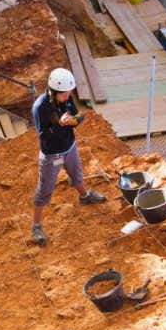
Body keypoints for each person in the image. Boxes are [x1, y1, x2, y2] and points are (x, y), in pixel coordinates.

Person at [28, 68, 107, 245]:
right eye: (64, 95)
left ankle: (84, 196)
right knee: (45, 190)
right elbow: (44, 136)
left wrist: (75, 120)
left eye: (69, 94)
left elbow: (77, 114)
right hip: (51, 154)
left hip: (69, 147)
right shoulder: (40, 107)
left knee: (77, 175)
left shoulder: (66, 97)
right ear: (54, 91)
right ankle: (36, 225)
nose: (67, 97)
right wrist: (60, 124)